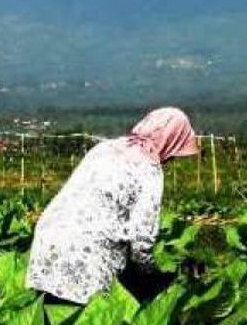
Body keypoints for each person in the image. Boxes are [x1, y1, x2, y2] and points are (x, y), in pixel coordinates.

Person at [26, 107, 199, 304]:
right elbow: (142, 237)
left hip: (48, 238)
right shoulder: (148, 167)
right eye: (175, 152)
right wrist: (152, 277)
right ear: (170, 141)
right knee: (87, 324)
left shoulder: (104, 148)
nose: (172, 159)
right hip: (88, 252)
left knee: (52, 319)